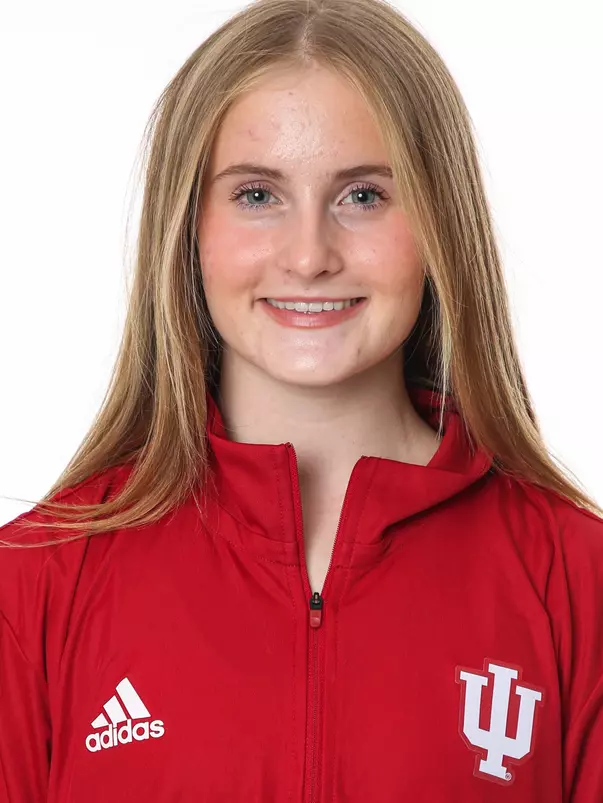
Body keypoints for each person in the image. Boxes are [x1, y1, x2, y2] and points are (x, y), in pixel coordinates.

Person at [1, 0, 602, 800]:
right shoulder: (36, 580)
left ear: (439, 226)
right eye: (257, 195)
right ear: (188, 229)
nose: (310, 255)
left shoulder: (578, 580)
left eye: (363, 196)